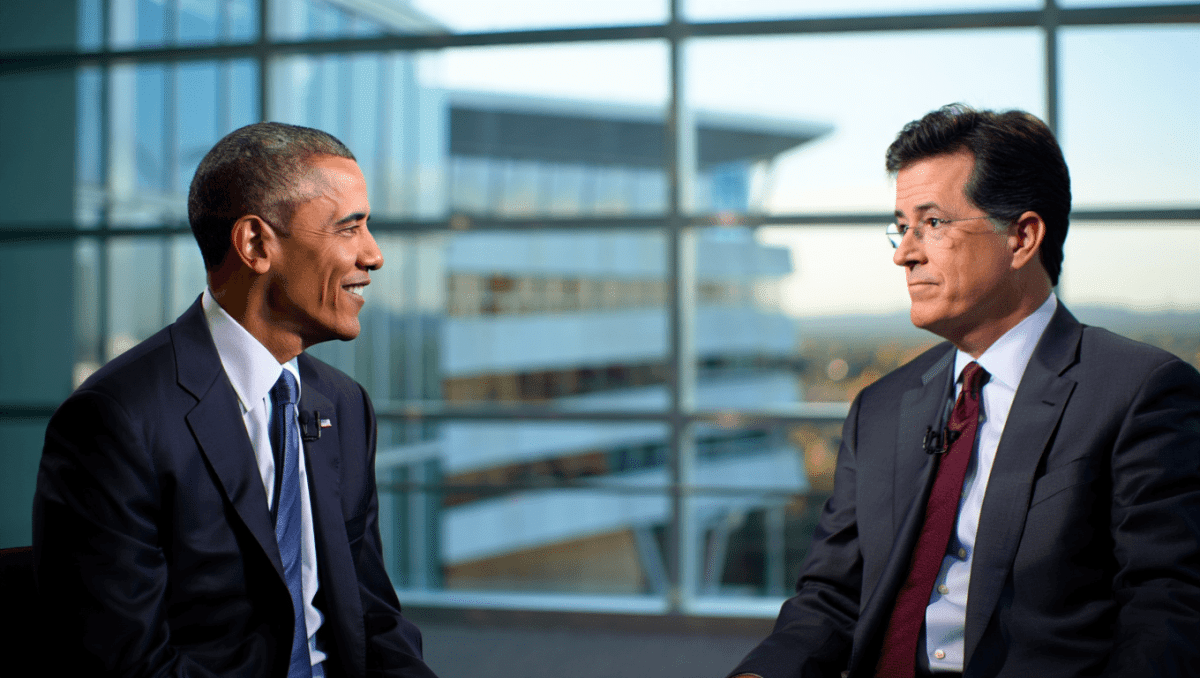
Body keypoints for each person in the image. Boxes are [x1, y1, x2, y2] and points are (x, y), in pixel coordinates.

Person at [728, 104, 1200, 678]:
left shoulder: (1140, 394)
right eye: (901, 226)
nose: (905, 252)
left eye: (933, 223)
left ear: (1022, 237)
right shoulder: (878, 409)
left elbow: (1169, 612)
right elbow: (830, 599)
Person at [34, 122, 439, 678]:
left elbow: (372, 617)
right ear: (255, 244)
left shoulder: (343, 405)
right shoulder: (115, 420)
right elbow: (126, 664)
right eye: (350, 229)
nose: (374, 255)